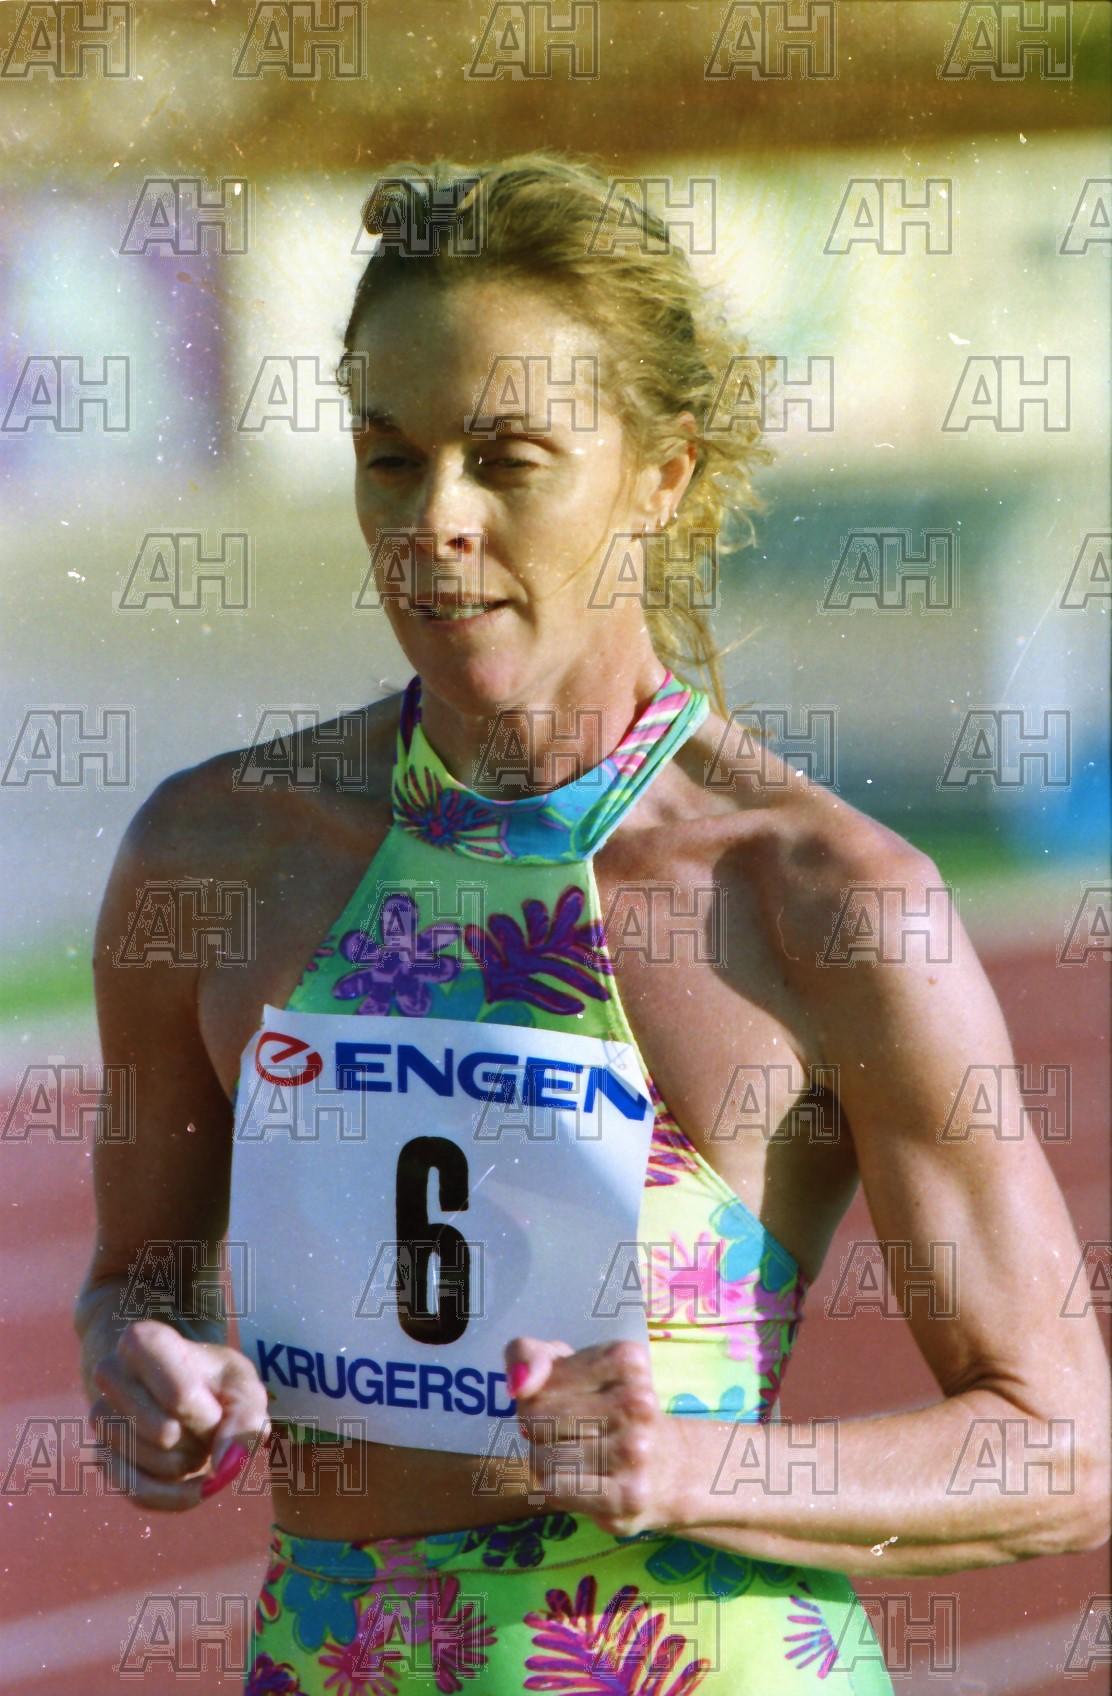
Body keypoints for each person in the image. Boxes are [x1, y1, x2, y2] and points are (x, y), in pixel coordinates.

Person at [76, 153, 1110, 1696]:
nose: (436, 520)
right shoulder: (211, 858)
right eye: (388, 457)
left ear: (662, 474)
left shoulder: (820, 901)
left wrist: (697, 1473)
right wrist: (142, 1370)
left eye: (508, 460)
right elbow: (135, 1280)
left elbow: (1061, 1448)